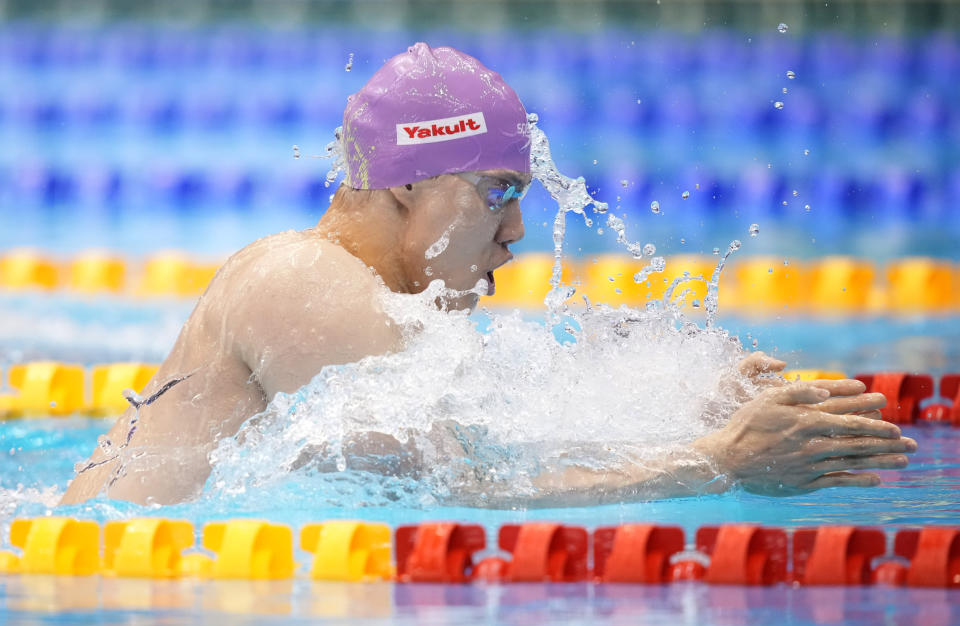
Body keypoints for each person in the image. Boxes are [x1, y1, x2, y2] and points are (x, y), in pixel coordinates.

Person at [60, 43, 916, 506]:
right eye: (496, 193)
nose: (515, 233)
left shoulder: (378, 308)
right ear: (406, 184)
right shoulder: (302, 280)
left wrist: (689, 404)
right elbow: (453, 496)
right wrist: (717, 463)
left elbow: (496, 445)